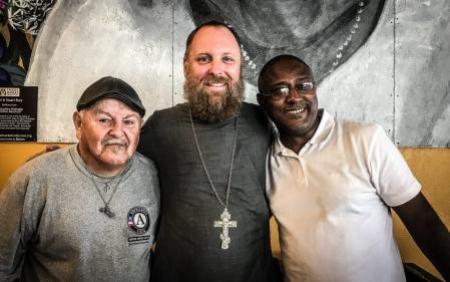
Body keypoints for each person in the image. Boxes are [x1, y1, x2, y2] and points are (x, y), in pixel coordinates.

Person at [257, 54, 450, 282]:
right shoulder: (266, 160)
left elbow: (423, 220)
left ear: (314, 90)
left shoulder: (365, 139)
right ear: (262, 102)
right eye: (280, 90)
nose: (294, 97)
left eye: (303, 85)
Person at [138, 21, 279, 282]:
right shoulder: (160, 127)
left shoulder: (264, 122)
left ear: (240, 68)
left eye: (227, 59)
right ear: (186, 66)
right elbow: (115, 173)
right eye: (204, 59)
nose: (216, 69)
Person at [0, 76, 160, 281]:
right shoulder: (34, 179)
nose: (118, 132)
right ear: (78, 123)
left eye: (129, 121)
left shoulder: (154, 176)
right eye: (104, 120)